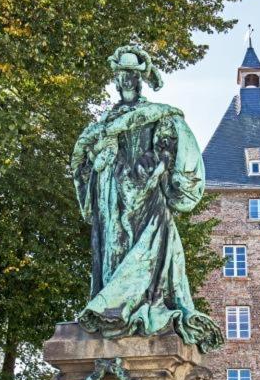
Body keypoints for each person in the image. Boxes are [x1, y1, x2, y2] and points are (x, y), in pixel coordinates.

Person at [71, 43, 222, 352]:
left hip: (148, 194)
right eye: (121, 73)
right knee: (113, 250)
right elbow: (83, 163)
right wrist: (92, 158)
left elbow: (169, 153)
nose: (126, 79)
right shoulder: (103, 125)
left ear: (141, 77)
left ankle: (137, 305)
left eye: (132, 73)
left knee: (147, 252)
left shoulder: (156, 115)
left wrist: (155, 173)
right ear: (115, 78)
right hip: (110, 197)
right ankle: (111, 309)